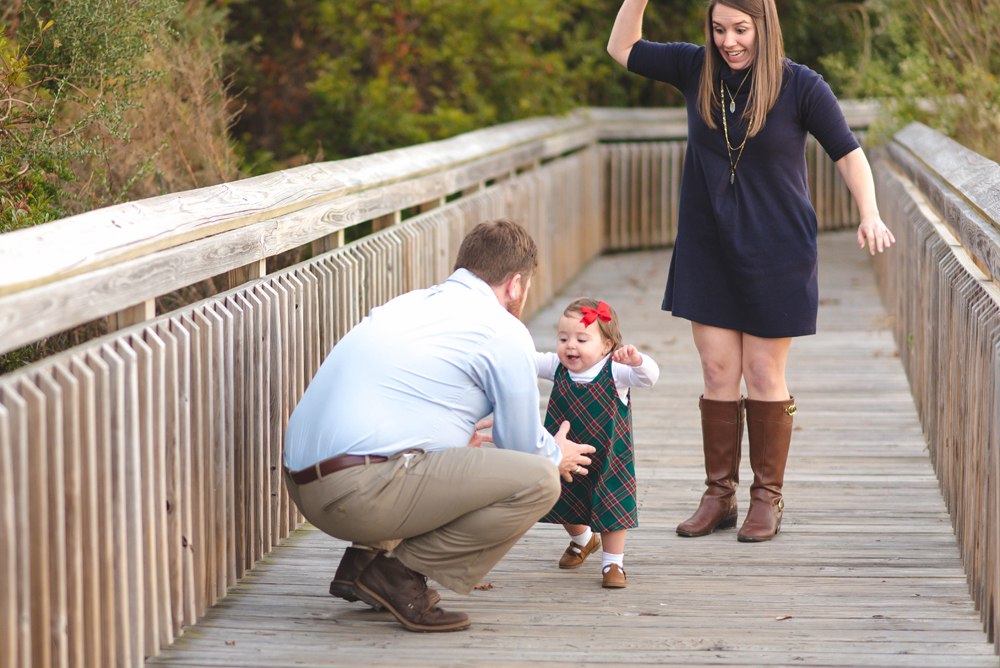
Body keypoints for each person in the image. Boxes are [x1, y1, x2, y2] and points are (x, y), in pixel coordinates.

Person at [607, 0, 894, 541]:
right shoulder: (696, 69)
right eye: (718, 29)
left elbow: (848, 152)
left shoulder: (801, 85)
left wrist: (869, 212)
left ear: (765, 26)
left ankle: (767, 498)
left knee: (763, 374)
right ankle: (720, 495)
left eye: (741, 29)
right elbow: (622, 49)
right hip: (706, 246)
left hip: (777, 249)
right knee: (717, 371)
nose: (729, 41)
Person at [282, 219, 596, 632]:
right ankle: (399, 575)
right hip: (357, 493)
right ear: (516, 284)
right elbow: (520, 444)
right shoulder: (503, 330)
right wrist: (557, 453)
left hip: (304, 486)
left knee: (459, 448)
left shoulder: (409, 303)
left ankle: (362, 564)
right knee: (538, 479)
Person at [535, 298, 659, 588]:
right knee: (561, 498)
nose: (570, 346)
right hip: (566, 458)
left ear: (606, 346)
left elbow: (650, 377)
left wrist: (637, 360)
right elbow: (524, 360)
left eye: (581, 339)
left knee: (612, 509)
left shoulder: (615, 372)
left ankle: (613, 563)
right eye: (563, 338)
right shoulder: (556, 367)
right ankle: (583, 540)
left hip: (609, 459)